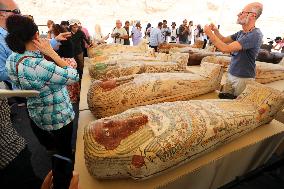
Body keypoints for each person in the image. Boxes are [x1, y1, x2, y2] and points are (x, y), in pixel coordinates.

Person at [5, 15, 79, 158]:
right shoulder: (39, 65)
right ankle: (65, 165)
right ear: (36, 35)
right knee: (64, 149)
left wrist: (54, 41)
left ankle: (52, 150)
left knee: (52, 140)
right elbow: (73, 75)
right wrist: (53, 54)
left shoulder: (12, 58)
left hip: (36, 111)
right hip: (58, 115)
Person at [204, 2, 263, 98]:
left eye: (242, 12)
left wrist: (210, 34)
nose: (238, 14)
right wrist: (215, 31)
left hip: (243, 78)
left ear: (253, 15)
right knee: (225, 100)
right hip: (232, 73)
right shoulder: (241, 33)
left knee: (237, 105)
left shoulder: (255, 35)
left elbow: (225, 48)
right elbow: (223, 40)